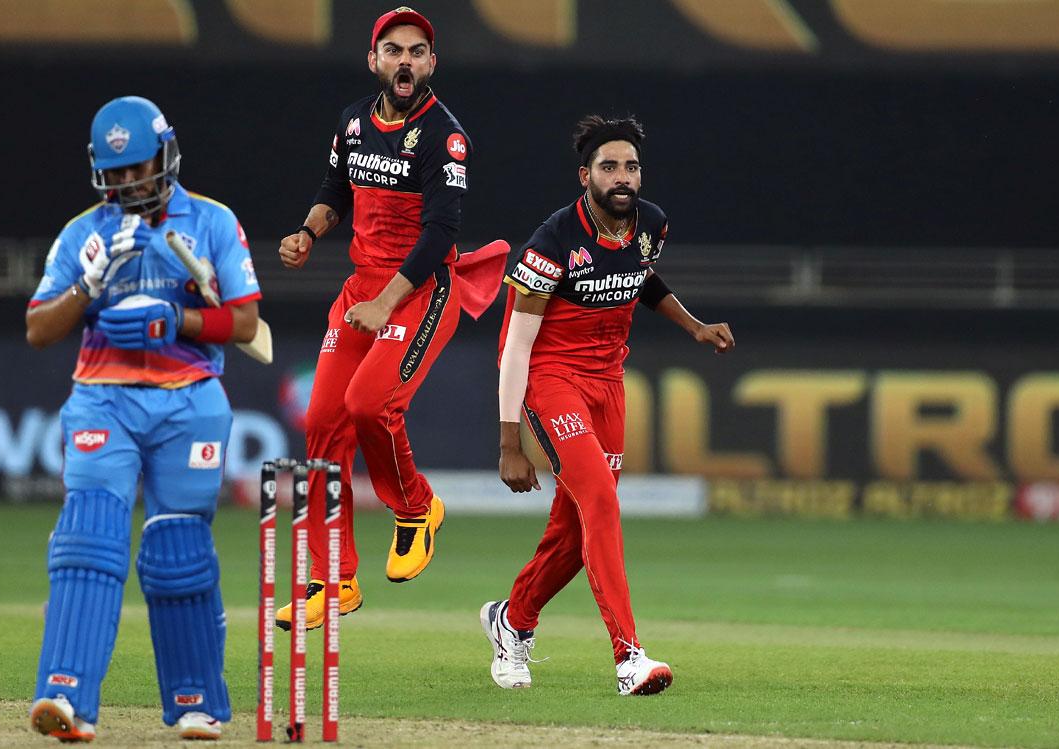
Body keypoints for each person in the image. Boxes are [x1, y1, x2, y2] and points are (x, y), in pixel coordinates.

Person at [25, 95, 262, 741]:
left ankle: (196, 702)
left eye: (140, 167)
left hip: (189, 398)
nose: (131, 181)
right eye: (119, 172)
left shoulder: (211, 222)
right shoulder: (84, 233)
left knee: (177, 550)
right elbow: (38, 328)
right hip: (104, 396)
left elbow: (244, 324)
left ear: (165, 155)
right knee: (89, 538)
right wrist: (87, 287)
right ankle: (65, 697)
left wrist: (174, 320)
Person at [482, 115, 735, 695]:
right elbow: (516, 346)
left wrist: (693, 325)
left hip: (608, 385)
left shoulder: (650, 224)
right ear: (585, 176)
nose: (622, 177)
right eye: (609, 167)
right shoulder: (552, 242)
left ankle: (512, 621)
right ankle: (629, 657)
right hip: (551, 381)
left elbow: (640, 279)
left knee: (576, 529)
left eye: (631, 167)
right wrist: (508, 442)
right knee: (599, 501)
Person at [276, 6, 480, 630]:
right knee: (321, 425)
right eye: (393, 50)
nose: (405, 60)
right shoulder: (354, 122)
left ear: (431, 64)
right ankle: (331, 581)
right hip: (360, 291)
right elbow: (336, 187)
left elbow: (441, 229)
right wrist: (310, 232)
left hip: (419, 291)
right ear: (374, 60)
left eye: (417, 51)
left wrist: (385, 301)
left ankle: (417, 507)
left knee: (369, 406)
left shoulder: (445, 135)